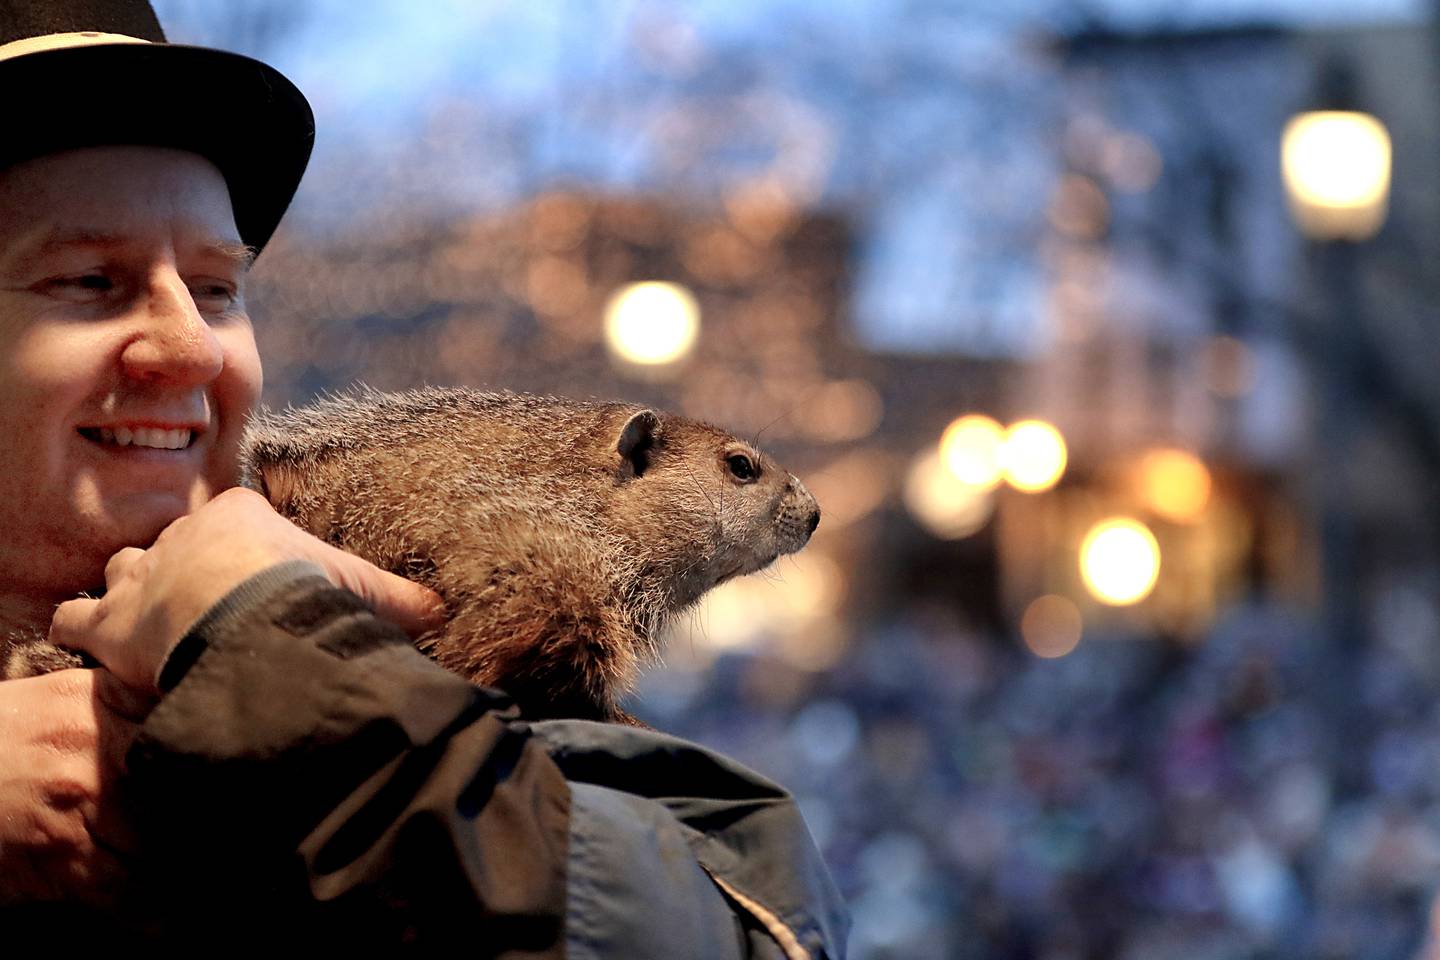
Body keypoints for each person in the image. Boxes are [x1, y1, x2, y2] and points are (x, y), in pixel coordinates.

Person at [0, 3, 848, 955]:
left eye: (217, 289)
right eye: (87, 282)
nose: (195, 347)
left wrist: (276, 659)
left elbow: (749, 931)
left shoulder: (379, 629)